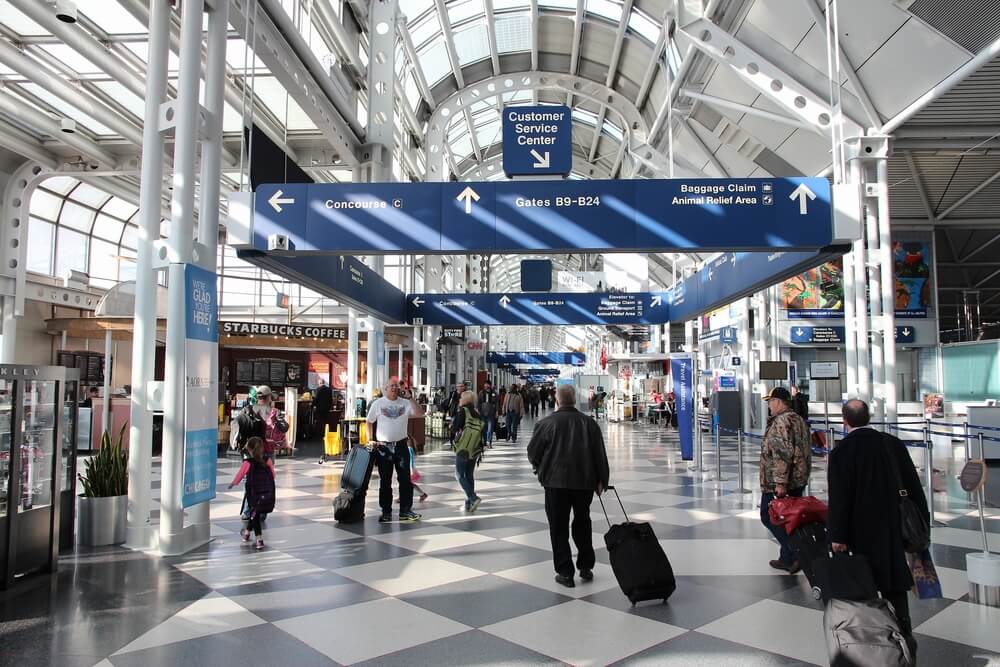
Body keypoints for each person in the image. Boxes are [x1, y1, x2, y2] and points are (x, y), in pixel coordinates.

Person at [828, 399, 928, 659]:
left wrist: (837, 536)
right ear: (869, 417)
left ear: (844, 420)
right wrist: (922, 524)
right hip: (895, 526)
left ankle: (874, 637)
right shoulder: (892, 443)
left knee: (865, 582)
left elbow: (840, 498)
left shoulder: (842, 451)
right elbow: (914, 487)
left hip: (861, 530)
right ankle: (904, 629)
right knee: (895, 580)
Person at [527, 385, 610, 588]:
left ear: (557, 401)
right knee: (583, 522)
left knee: (558, 526)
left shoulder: (545, 424)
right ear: (574, 400)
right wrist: (602, 480)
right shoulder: (589, 423)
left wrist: (539, 468)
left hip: (555, 484)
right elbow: (599, 454)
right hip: (584, 482)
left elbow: (533, 452)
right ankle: (586, 566)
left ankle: (565, 572)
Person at [758, 386, 812, 573]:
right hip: (798, 478)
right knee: (789, 519)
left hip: (781, 482)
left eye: (770, 401)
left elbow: (782, 454)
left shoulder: (781, 422)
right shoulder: (797, 419)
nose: (769, 406)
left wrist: (780, 483)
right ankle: (787, 558)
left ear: (779, 402)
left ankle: (796, 552)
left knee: (768, 515)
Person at [366, 377, 425, 523]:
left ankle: (405, 510)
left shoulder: (405, 403)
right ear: (385, 388)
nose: (394, 388)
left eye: (396, 386)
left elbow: (420, 413)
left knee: (405, 479)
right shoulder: (378, 404)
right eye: (391, 386)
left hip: (401, 446)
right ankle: (386, 512)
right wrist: (370, 439)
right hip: (384, 447)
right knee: (385, 481)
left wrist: (410, 397)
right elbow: (369, 421)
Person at [228, 436, 275, 550]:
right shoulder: (267, 460)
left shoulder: (248, 463)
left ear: (249, 449)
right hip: (267, 493)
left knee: (255, 513)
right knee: (255, 512)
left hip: (253, 493)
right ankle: (247, 532)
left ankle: (259, 539)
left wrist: (233, 484)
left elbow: (240, 475)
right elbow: (273, 475)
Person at [451, 390, 485, 513]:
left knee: (459, 474)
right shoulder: (477, 413)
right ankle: (468, 504)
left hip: (464, 447)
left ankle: (473, 497)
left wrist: (452, 428)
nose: (459, 399)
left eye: (461, 398)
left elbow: (457, 428)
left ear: (465, 400)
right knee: (469, 474)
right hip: (475, 448)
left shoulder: (463, 411)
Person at [255, 385, 289, 456]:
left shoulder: (249, 410)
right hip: (269, 447)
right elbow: (285, 428)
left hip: (254, 447)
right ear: (269, 397)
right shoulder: (275, 412)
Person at [477, 380, 499, 447]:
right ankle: (485, 441)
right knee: (484, 428)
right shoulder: (481, 393)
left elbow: (497, 403)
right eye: (485, 384)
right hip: (483, 413)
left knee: (490, 429)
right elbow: (479, 402)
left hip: (491, 413)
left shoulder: (494, 393)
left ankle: (489, 441)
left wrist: (497, 411)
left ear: (489, 385)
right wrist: (478, 411)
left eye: (487, 384)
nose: (485, 386)